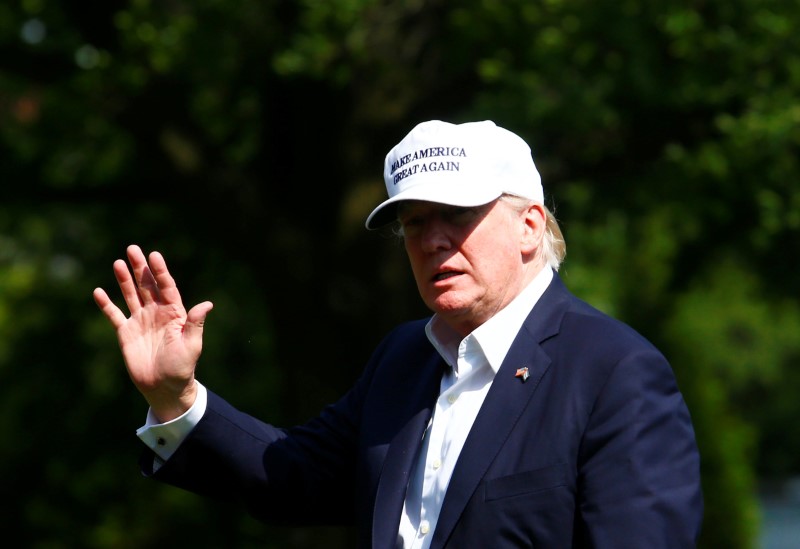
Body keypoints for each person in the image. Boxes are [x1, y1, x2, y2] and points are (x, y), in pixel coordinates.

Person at [93, 120, 703, 548]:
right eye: (414, 222)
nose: (433, 240)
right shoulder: (404, 360)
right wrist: (174, 397)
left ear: (529, 226)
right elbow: (289, 478)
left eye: (458, 215)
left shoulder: (614, 372)